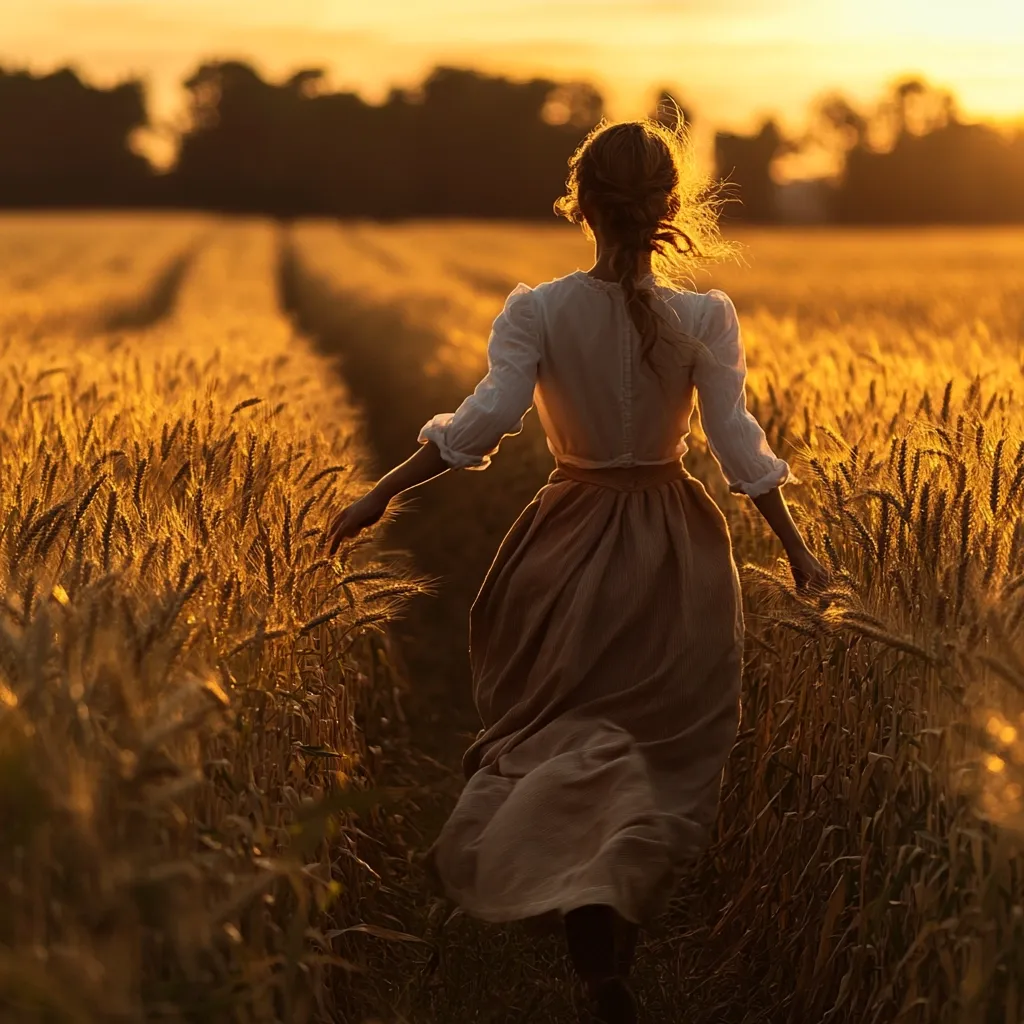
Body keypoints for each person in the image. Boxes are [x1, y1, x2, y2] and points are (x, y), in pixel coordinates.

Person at [325, 118, 829, 1024]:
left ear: (580, 204)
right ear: (668, 207)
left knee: (562, 735)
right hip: (678, 549)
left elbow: (483, 423)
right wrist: (799, 553)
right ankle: (613, 954)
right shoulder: (706, 316)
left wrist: (381, 493)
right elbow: (735, 446)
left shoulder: (539, 310)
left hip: (566, 541)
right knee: (653, 752)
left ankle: (594, 961)